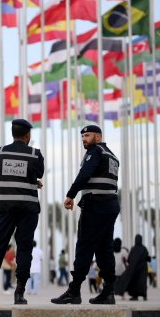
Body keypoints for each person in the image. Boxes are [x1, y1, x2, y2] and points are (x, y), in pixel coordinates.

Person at [0, 119, 44, 305]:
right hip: (27, 209)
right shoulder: (35, 154)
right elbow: (39, 172)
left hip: (4, 208)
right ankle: (20, 293)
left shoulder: (0, 152)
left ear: (13, 134)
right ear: (27, 135)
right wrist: (32, 180)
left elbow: (3, 172)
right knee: (24, 248)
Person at [51, 125, 120, 305]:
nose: (83, 139)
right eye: (82, 136)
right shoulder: (112, 156)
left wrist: (70, 195)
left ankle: (74, 291)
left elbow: (84, 174)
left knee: (84, 246)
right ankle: (108, 292)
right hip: (110, 205)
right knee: (104, 249)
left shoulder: (95, 151)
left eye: (87, 135)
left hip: (95, 205)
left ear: (98, 136)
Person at [116, 234, 150, 301]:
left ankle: (135, 296)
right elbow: (148, 258)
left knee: (135, 283)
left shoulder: (133, 249)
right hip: (143, 270)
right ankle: (144, 296)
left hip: (134, 270)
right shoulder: (144, 249)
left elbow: (129, 259)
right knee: (142, 283)